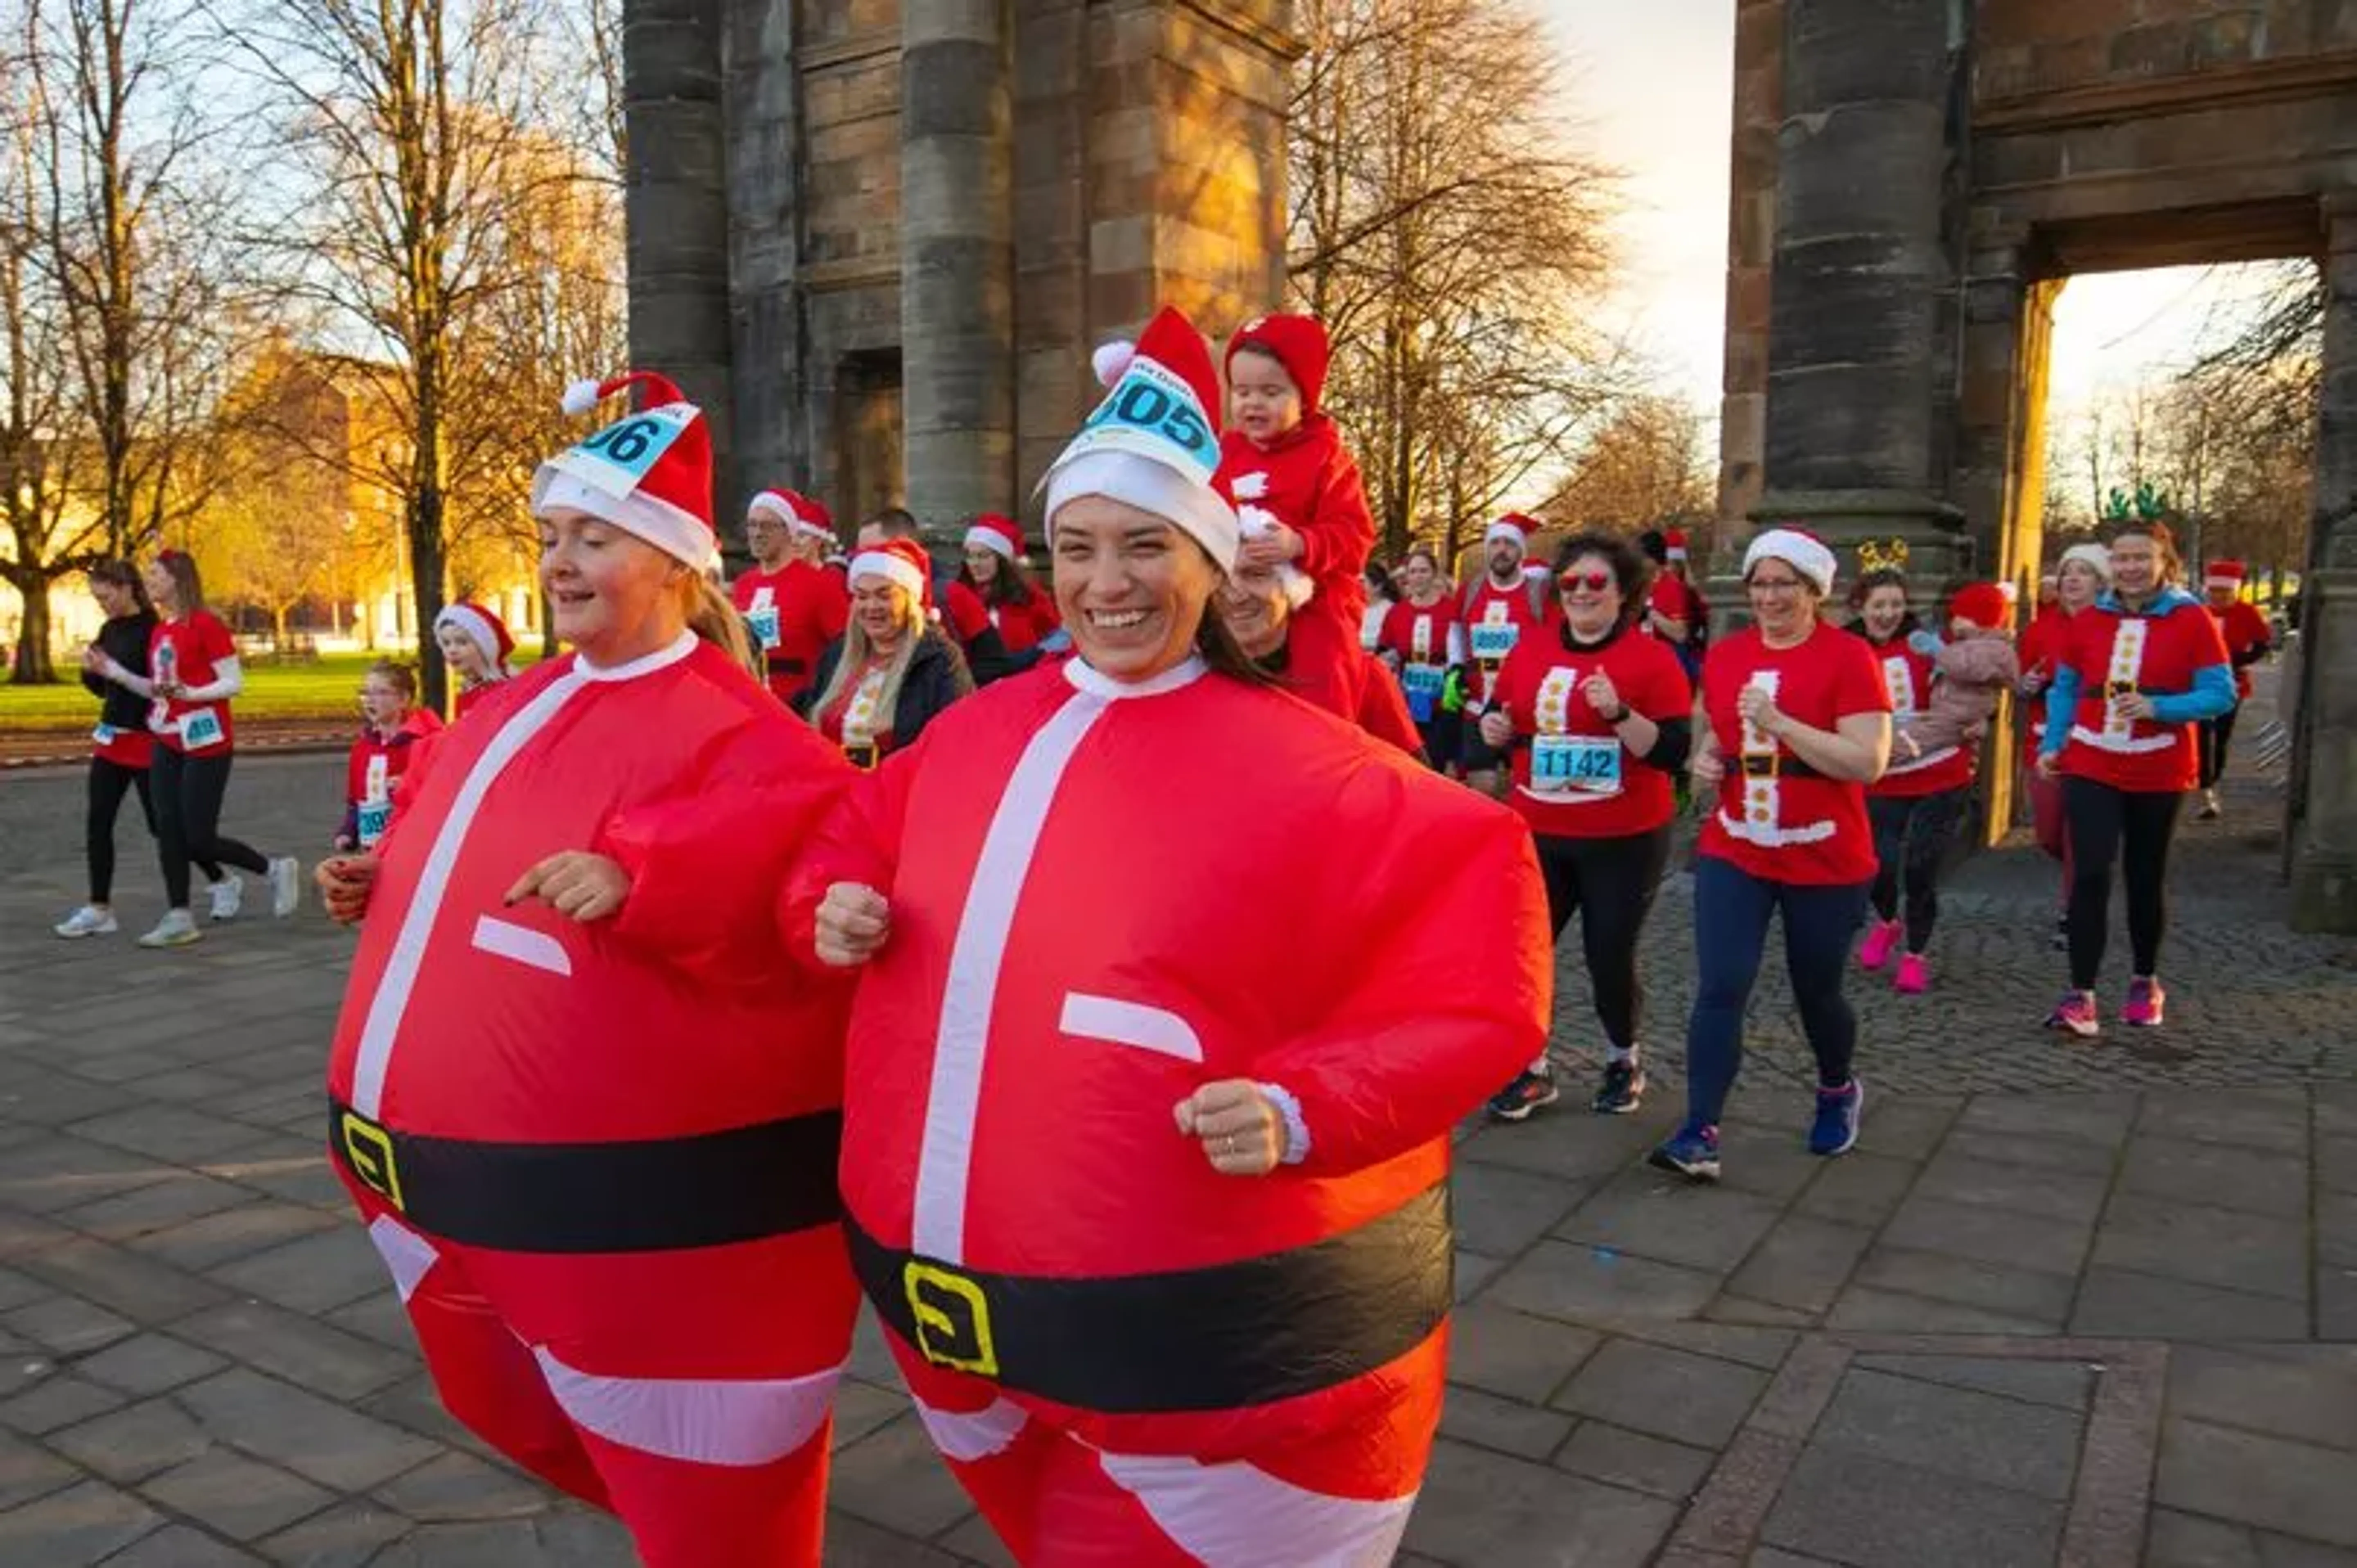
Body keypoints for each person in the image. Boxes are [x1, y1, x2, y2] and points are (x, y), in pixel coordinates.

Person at [798, 306, 1549, 1566]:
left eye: (1147, 545)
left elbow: (1485, 960)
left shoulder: (1316, 764)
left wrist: (1315, 1103)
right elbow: (842, 841)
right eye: (1079, 547)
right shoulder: (976, 732)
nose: (1107, 582)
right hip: (947, 1328)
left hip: (1211, 1361)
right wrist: (822, 905)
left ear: (1208, 565)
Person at [318, 369, 861, 1568]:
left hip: (643, 1234)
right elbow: (446, 842)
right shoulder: (502, 709)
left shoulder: (739, 729)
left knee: (708, 1500)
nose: (562, 561)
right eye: (552, 536)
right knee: (508, 1406)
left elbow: (810, 889)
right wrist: (380, 881)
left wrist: (650, 884)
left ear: (676, 562)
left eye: (596, 537)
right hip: (439, 1191)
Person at [1654, 528, 1891, 1182]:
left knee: (1817, 992)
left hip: (1825, 853)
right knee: (1721, 985)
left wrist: (1782, 722)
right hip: (1737, 845)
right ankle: (1700, 1130)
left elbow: (1867, 761)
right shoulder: (1728, 656)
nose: (1769, 596)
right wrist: (1707, 758)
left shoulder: (1848, 657)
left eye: (1784, 583)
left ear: (1814, 590)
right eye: (1760, 583)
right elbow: (1715, 738)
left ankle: (1838, 1087)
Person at [1477, 531, 1692, 1120]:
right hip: (1539, 831)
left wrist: (1620, 714)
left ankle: (1624, 1057)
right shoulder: (1531, 649)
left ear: (1624, 593)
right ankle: (1531, 1068)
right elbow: (1505, 722)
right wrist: (1493, 732)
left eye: (1597, 582)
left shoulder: (1652, 660)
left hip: (1623, 837)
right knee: (1525, 955)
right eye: (1570, 582)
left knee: (1608, 954)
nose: (1581, 592)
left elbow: (1674, 752)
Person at [2038, 514, 2234, 1036]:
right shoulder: (2089, 620)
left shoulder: (2192, 619)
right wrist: (2053, 743)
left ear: (2163, 563)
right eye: (2121, 558)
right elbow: (2065, 687)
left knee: (2145, 875)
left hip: (2159, 763)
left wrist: (2158, 707)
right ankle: (2082, 995)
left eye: (2140, 558)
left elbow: (2221, 693)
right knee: (2092, 872)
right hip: (2091, 757)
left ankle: (2146, 980)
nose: (2130, 568)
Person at [81, 549, 300, 947]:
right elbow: (155, 688)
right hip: (166, 738)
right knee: (168, 829)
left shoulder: (206, 625)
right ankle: (179, 915)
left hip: (207, 740)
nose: (149, 580)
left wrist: (193, 693)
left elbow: (233, 683)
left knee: (198, 838)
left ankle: (272, 868)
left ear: (177, 578)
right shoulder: (162, 631)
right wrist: (111, 672)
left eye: (155, 573)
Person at [1216, 311, 1378, 718]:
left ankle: (1327, 741)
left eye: (1270, 392)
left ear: (1304, 397)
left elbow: (1354, 534)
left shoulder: (1327, 457)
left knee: (1324, 665)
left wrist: (1300, 543)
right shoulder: (1225, 451)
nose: (1253, 403)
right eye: (1242, 391)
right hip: (1236, 588)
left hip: (1316, 599)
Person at [1845, 567, 1978, 996]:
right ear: (1860, 607)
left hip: (1940, 768)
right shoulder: (1846, 650)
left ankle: (1916, 953)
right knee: (1877, 866)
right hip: (1882, 774)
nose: (1888, 613)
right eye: (1879, 605)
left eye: (1896, 605)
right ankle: (1888, 921)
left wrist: (1978, 720)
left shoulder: (1927, 645)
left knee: (1921, 867)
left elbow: (1968, 689)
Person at [54, 560, 186, 938]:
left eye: (106, 596)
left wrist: (115, 672)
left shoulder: (153, 629)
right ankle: (100, 907)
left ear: (127, 588)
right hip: (112, 737)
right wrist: (92, 672)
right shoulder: (109, 630)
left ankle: (219, 877)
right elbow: (104, 688)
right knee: (98, 821)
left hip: (147, 739)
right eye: (97, 599)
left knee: (163, 826)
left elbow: (157, 686)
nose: (103, 605)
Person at [1219, 551, 1422, 756]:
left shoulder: (1362, 677)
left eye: (1257, 574)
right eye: (1220, 576)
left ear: (1292, 590)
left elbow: (1416, 781)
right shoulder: (1197, 675)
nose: (1235, 595)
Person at [804, 538, 973, 767]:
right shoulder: (837, 655)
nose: (872, 607)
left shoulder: (939, 659)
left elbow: (955, 742)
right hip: (839, 795)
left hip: (900, 795)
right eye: (862, 596)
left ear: (909, 600)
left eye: (884, 595)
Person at [2019, 544, 2108, 949]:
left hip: (2095, 743)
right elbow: (2019, 677)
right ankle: (2084, 880)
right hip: (2045, 740)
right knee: (2050, 832)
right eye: (2067, 571)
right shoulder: (2042, 627)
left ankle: (2074, 910)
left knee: (2080, 835)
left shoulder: (2112, 625)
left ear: (2101, 582)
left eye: (2084, 572)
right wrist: (2025, 685)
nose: (2072, 579)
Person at [856, 507, 1016, 684]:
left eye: (876, 552)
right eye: (860, 554)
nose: (864, 562)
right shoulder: (858, 603)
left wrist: (943, 681)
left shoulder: (952, 595)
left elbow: (996, 664)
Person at [1458, 514, 1554, 794]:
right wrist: (1455, 667)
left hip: (1524, 710)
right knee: (1481, 791)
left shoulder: (1540, 594)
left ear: (1521, 551)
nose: (1502, 550)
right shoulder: (1471, 590)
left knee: (1524, 791)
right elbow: (1456, 631)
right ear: (1487, 549)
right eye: (1495, 543)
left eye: (1510, 544)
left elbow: (1554, 644)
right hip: (1477, 708)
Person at [733, 488, 849, 708]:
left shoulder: (821, 585)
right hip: (752, 707)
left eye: (767, 526)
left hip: (803, 710)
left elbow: (848, 651)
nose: (757, 533)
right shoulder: (743, 585)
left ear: (790, 532)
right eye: (752, 525)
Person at [332, 661, 443, 853]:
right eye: (366, 692)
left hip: (416, 846)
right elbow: (356, 803)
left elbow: (442, 795)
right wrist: (348, 832)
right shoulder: (362, 748)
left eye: (381, 693)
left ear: (404, 700)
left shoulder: (426, 743)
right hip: (374, 850)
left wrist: (406, 785)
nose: (370, 700)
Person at [1377, 545, 1467, 770]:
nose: (1418, 577)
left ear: (1435, 575)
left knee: (1435, 764)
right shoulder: (1397, 613)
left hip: (1445, 701)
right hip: (1408, 700)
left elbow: (1464, 651)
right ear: (1406, 577)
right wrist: (1389, 659)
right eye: (1413, 572)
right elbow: (1384, 650)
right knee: (1411, 763)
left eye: (1424, 571)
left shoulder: (1453, 609)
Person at [2197, 558, 2273, 820]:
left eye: (2225, 593)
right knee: (2202, 735)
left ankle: (2213, 778)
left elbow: (2263, 643)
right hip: (2199, 685)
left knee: (2222, 735)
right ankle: (2205, 787)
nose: (2219, 598)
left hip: (2234, 684)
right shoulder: (2199, 612)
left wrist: (2239, 661)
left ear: (2235, 591)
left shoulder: (2247, 612)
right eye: (2214, 592)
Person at [960, 513, 1066, 667]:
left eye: (983, 556)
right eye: (970, 556)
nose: (975, 564)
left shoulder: (1030, 597)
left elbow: (1057, 643)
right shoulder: (961, 595)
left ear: (1002, 560)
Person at [1638, 526, 1708, 682]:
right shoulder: (1638, 585)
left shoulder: (1672, 587)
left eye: (1642, 557)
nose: (1637, 561)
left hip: (1666, 668)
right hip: (1641, 664)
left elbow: (1680, 634)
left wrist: (1649, 613)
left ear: (1654, 560)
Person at [432, 601, 517, 721]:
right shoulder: (467, 691)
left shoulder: (500, 693)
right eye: (446, 643)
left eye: (462, 642)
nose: (452, 651)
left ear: (484, 647)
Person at [1361, 558, 1397, 652]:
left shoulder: (1391, 610)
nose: (1357, 586)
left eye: (1362, 582)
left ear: (1378, 587)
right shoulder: (1352, 608)